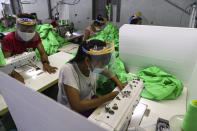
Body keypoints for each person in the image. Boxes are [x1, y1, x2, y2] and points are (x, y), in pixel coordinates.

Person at [57, 40, 125, 117]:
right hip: (71, 112)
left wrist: (119, 83)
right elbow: (77, 106)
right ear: (87, 60)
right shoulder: (68, 70)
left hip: (88, 101)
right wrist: (108, 97)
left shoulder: (91, 66)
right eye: (101, 64)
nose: (102, 67)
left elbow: (108, 72)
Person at [1, 13, 57, 83]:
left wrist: (46, 63)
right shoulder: (8, 39)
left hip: (28, 64)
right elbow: (6, 63)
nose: (27, 33)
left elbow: (42, 53)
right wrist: (14, 74)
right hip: (14, 68)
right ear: (17, 28)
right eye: (23, 30)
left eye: (30, 31)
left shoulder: (35, 36)